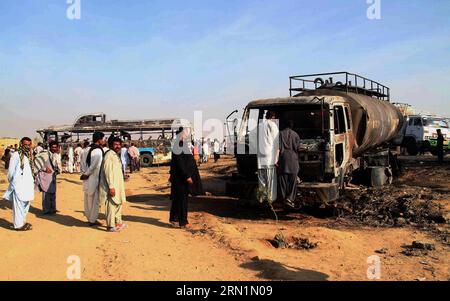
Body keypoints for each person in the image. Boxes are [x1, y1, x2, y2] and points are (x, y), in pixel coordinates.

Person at [2, 137, 35, 231]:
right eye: (25, 145)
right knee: (18, 205)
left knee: (26, 203)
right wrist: (13, 182)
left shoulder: (29, 156)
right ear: (21, 144)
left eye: (29, 145)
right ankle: (18, 225)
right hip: (19, 184)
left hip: (28, 184)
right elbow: (11, 171)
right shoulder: (16, 155)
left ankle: (22, 222)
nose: (27, 147)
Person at [169, 127, 196, 229]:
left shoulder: (180, 144)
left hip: (178, 177)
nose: (187, 134)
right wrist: (187, 176)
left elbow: (175, 163)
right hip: (181, 178)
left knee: (177, 199)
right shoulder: (179, 145)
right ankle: (183, 222)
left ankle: (174, 219)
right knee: (182, 200)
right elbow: (180, 163)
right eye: (185, 133)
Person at [100, 136, 127, 232]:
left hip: (118, 185)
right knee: (111, 205)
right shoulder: (109, 155)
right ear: (111, 145)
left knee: (118, 203)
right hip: (111, 186)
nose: (118, 146)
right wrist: (111, 187)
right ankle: (111, 226)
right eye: (115, 144)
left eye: (119, 144)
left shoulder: (115, 155)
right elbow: (108, 172)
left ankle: (118, 222)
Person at [81, 132, 105, 226]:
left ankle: (89, 218)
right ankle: (92, 220)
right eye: (103, 139)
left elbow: (82, 163)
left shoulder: (86, 149)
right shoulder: (98, 151)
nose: (104, 141)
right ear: (99, 140)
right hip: (94, 178)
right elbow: (94, 165)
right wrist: (87, 174)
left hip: (86, 177)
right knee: (94, 200)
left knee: (87, 199)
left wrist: (84, 173)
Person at [257, 111, 279, 204]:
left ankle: (262, 199)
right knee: (271, 181)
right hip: (270, 158)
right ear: (273, 117)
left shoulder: (259, 126)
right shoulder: (273, 125)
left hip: (260, 159)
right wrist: (276, 158)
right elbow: (276, 142)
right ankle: (270, 201)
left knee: (262, 181)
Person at [278, 120, 301, 208]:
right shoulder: (296, 135)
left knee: (283, 180)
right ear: (292, 126)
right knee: (292, 180)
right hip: (293, 160)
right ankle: (290, 198)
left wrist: (276, 160)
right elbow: (298, 148)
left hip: (283, 159)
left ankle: (283, 198)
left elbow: (278, 148)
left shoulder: (280, 134)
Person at [34, 141, 61, 215]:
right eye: (53, 147)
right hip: (45, 177)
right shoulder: (44, 154)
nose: (54, 148)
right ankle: (46, 210)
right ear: (50, 147)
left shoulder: (54, 155)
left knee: (52, 193)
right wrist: (44, 169)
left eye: (55, 147)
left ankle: (52, 209)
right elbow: (36, 162)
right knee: (46, 193)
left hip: (52, 177)